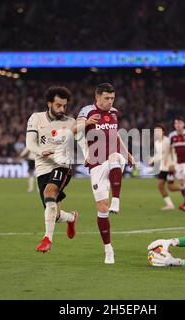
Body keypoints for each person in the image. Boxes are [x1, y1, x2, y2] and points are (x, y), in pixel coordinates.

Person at [75, 83, 135, 264]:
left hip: (113, 158)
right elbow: (74, 132)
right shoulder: (86, 111)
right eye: (107, 98)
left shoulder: (114, 112)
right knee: (102, 207)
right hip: (96, 162)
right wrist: (86, 124)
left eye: (112, 98)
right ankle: (108, 249)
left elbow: (115, 134)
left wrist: (127, 153)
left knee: (115, 157)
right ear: (98, 97)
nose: (110, 102)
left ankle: (116, 200)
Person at [26, 86, 78, 253]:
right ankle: (71, 217)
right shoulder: (36, 118)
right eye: (58, 105)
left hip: (62, 165)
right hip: (42, 168)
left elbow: (83, 139)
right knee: (54, 214)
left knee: (49, 192)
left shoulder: (70, 122)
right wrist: (42, 151)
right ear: (49, 103)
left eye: (64, 105)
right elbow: (30, 143)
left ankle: (47, 239)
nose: (62, 109)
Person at [148, 124, 178, 210]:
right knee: (160, 186)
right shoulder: (157, 143)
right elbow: (159, 154)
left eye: (158, 131)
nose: (157, 133)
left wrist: (174, 164)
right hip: (163, 168)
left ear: (163, 132)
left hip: (170, 167)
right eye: (155, 131)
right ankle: (170, 205)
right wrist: (152, 160)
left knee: (171, 187)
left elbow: (174, 153)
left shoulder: (168, 141)